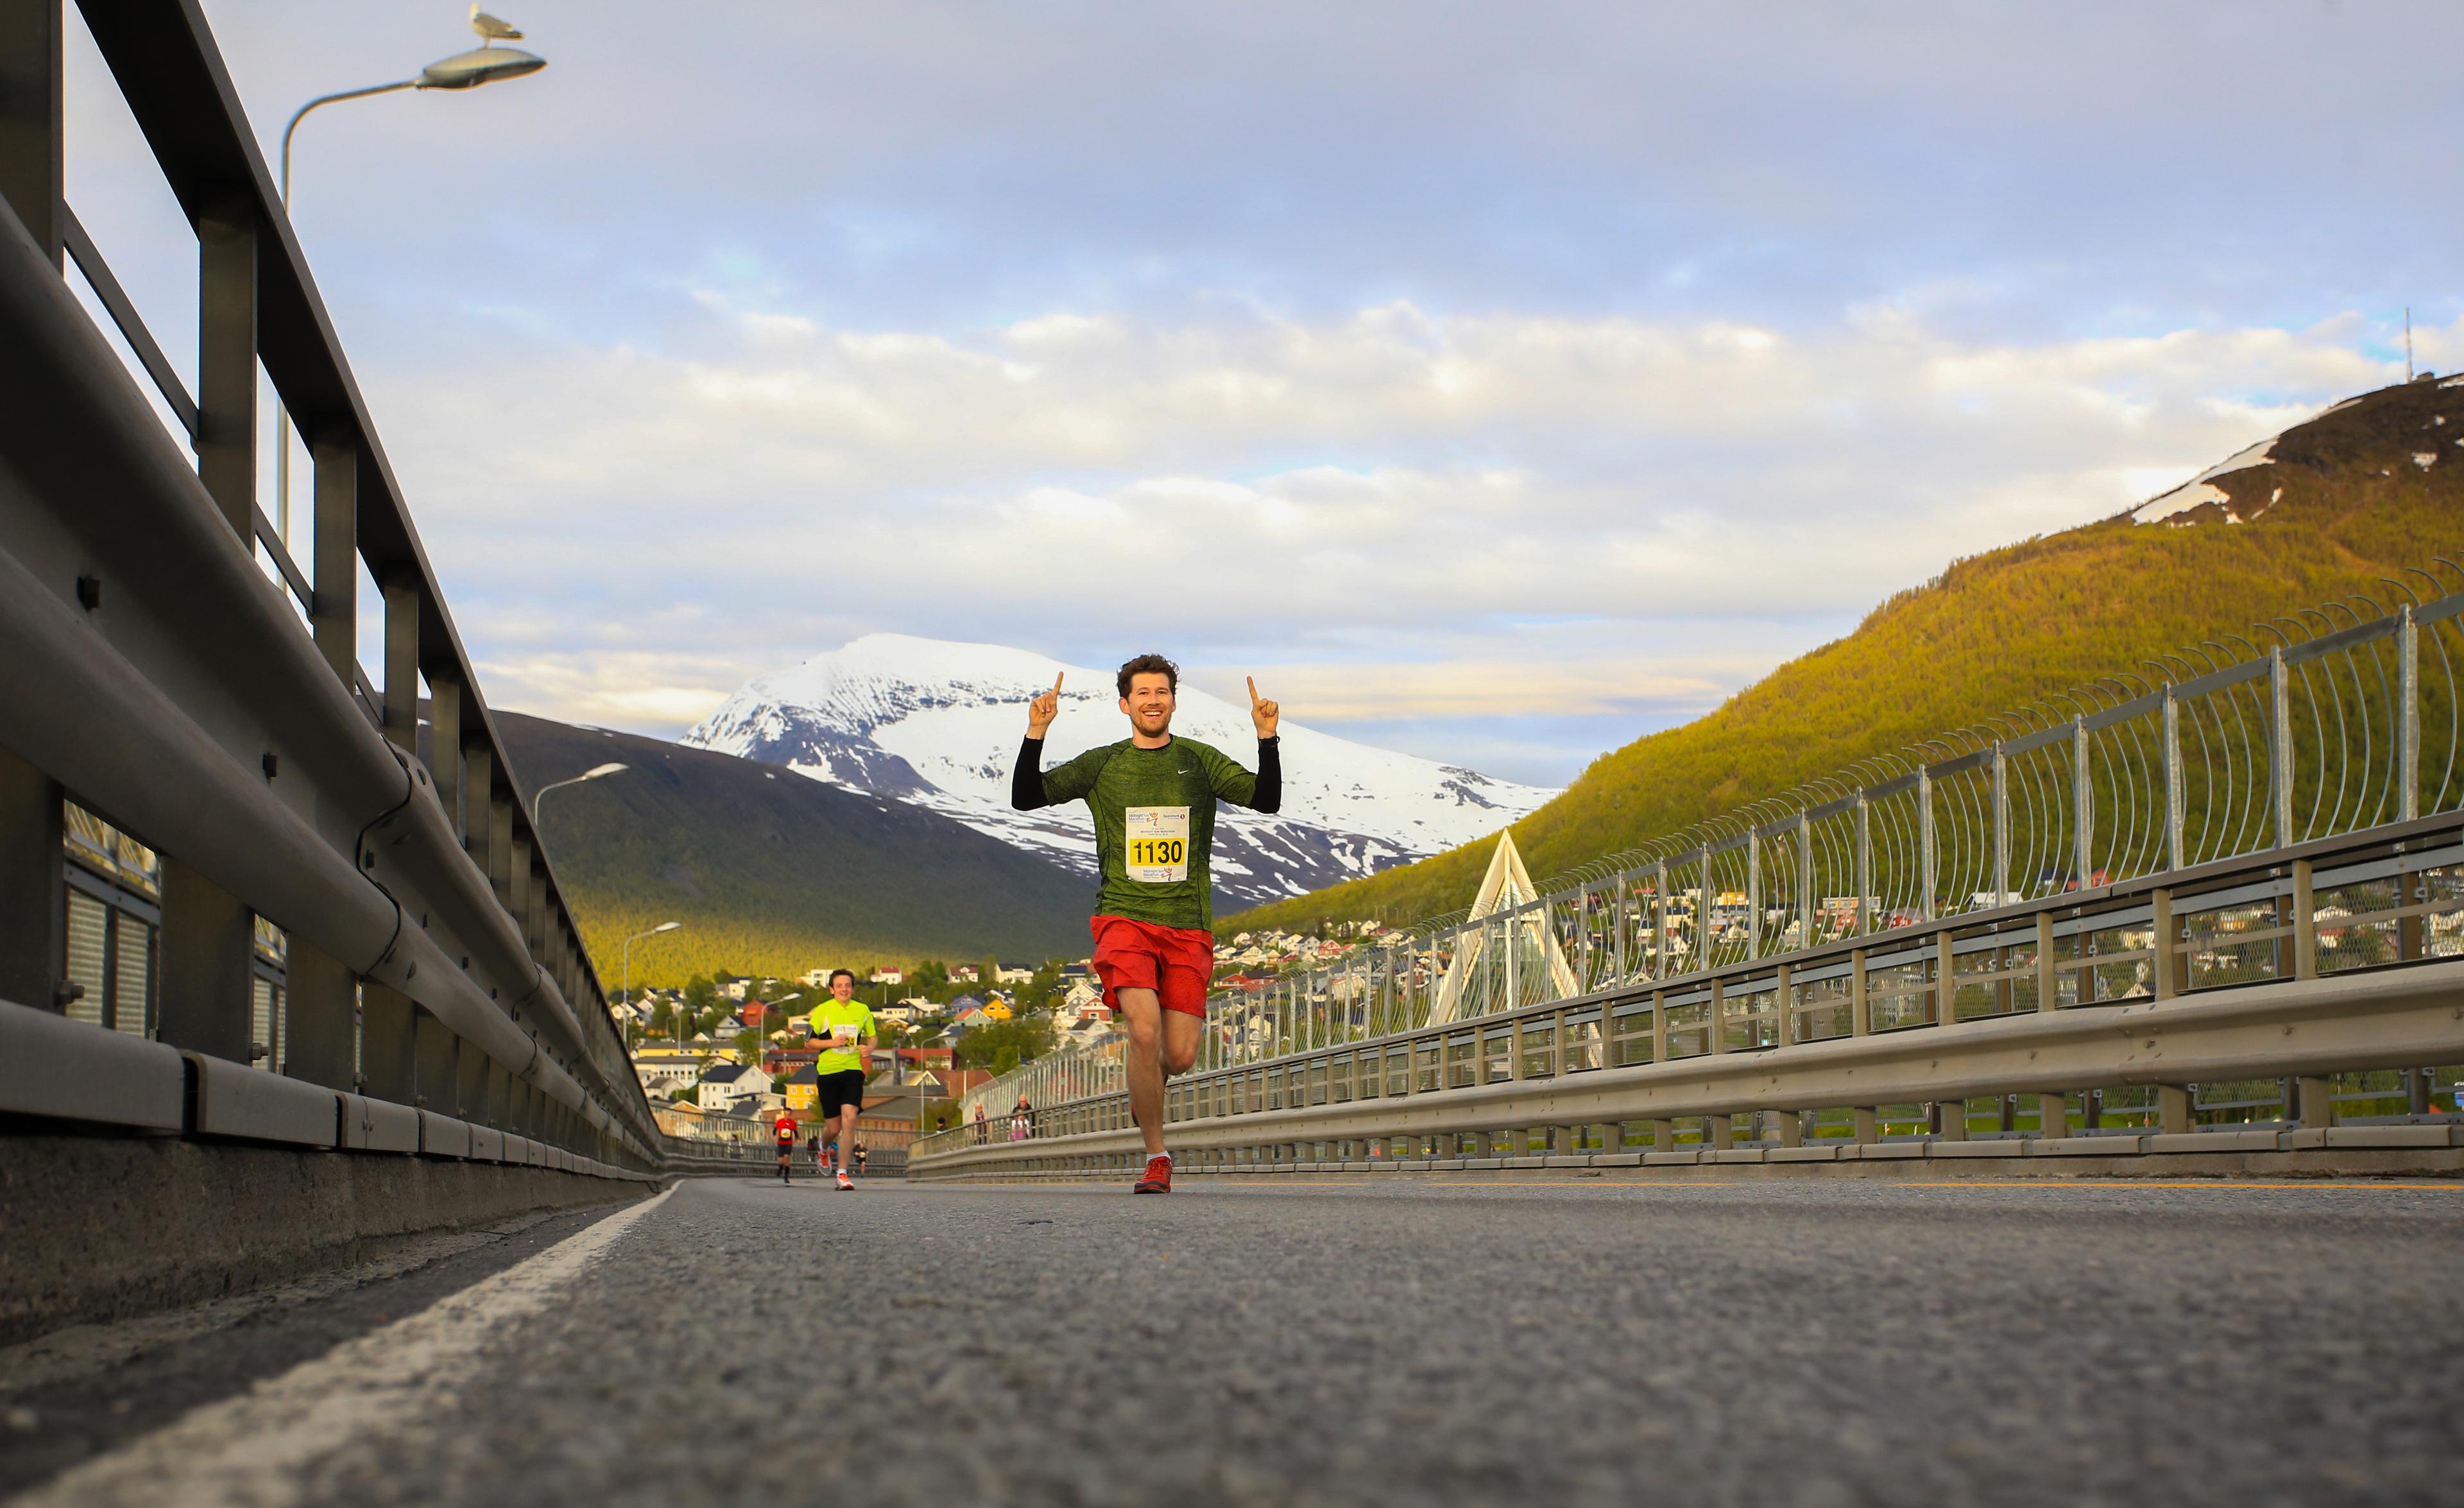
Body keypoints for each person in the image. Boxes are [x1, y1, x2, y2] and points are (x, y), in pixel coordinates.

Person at [1011, 653, 1280, 1193]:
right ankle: (1157, 1155)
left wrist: (1266, 738)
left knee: (1178, 1055)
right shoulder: (1103, 764)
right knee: (1143, 1030)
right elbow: (1026, 797)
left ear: (1173, 702)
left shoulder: (1198, 761)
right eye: (1143, 693)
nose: (1153, 701)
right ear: (1125, 704)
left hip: (1187, 924)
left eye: (1162, 692)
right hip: (1124, 918)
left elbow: (1266, 800)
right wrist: (1036, 733)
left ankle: (1147, 1090)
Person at [806, 969, 877, 1191]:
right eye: (839, 986)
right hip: (828, 1072)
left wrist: (869, 1048)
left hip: (853, 1071)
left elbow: (873, 1037)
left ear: (853, 988)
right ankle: (823, 1148)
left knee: (850, 1119)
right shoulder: (822, 1011)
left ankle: (842, 1174)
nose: (844, 989)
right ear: (832, 989)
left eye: (848, 985)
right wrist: (832, 1043)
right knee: (834, 1127)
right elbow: (809, 1042)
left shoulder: (862, 1010)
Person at [773, 1110, 799, 1185]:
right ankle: (781, 1168)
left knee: (787, 1159)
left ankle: (786, 1177)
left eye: (788, 1115)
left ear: (790, 1115)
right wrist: (775, 1136)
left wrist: (797, 1139)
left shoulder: (793, 1122)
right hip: (781, 1142)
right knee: (780, 1160)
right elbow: (775, 1130)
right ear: (784, 1115)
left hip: (788, 1142)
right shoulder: (780, 1122)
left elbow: (795, 1132)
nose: (787, 1116)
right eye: (786, 1114)